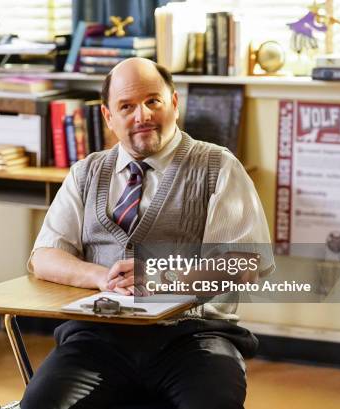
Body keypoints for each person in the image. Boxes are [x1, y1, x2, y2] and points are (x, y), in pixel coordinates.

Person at [22, 58, 274, 409]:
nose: (142, 116)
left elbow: (245, 264)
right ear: (109, 118)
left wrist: (159, 278)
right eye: (126, 106)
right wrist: (102, 278)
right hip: (96, 338)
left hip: (193, 339)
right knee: (40, 405)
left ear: (173, 102)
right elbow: (44, 256)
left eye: (152, 101)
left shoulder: (218, 166)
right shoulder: (85, 172)